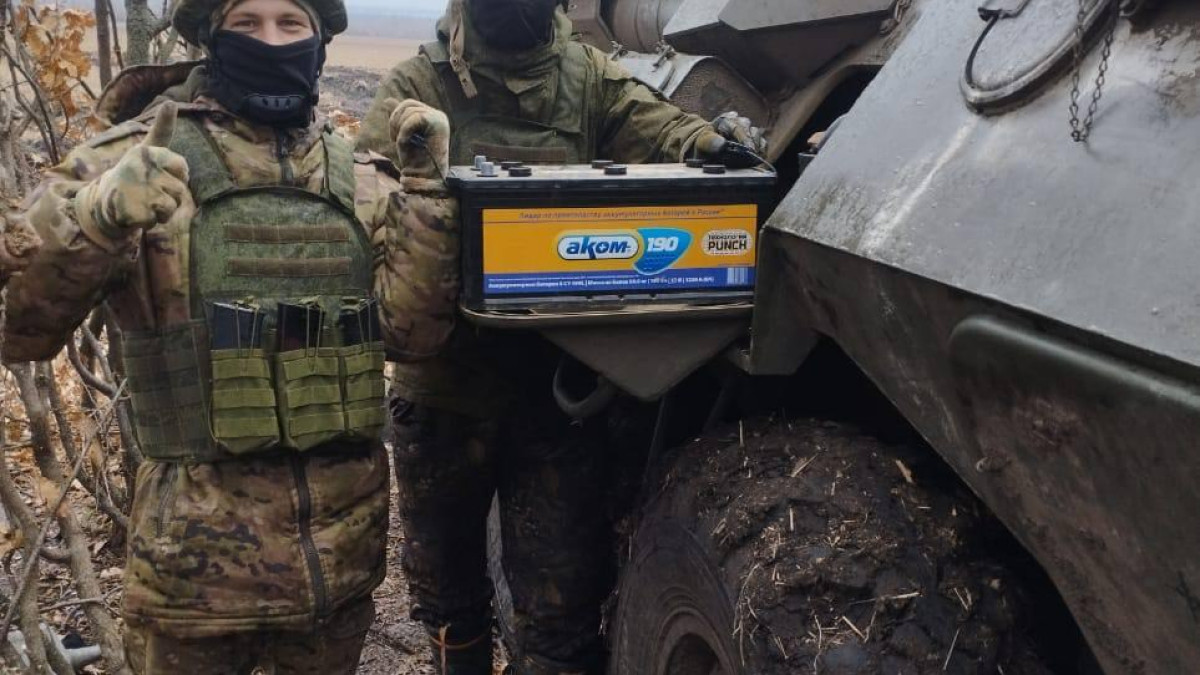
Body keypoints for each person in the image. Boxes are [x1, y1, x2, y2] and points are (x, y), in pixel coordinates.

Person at [1, 0, 459, 671]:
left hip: (338, 575)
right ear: (210, 36)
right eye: (247, 22)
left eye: (290, 23)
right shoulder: (137, 158)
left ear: (321, 40)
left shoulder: (359, 178)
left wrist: (428, 194)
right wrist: (92, 220)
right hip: (191, 587)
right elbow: (17, 327)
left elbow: (412, 337)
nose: (271, 40)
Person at [355, 1, 764, 673]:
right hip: (444, 391)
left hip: (551, 395)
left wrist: (708, 144)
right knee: (447, 592)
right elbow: (372, 207)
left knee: (561, 604)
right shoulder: (419, 84)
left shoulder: (585, 75)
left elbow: (653, 123)